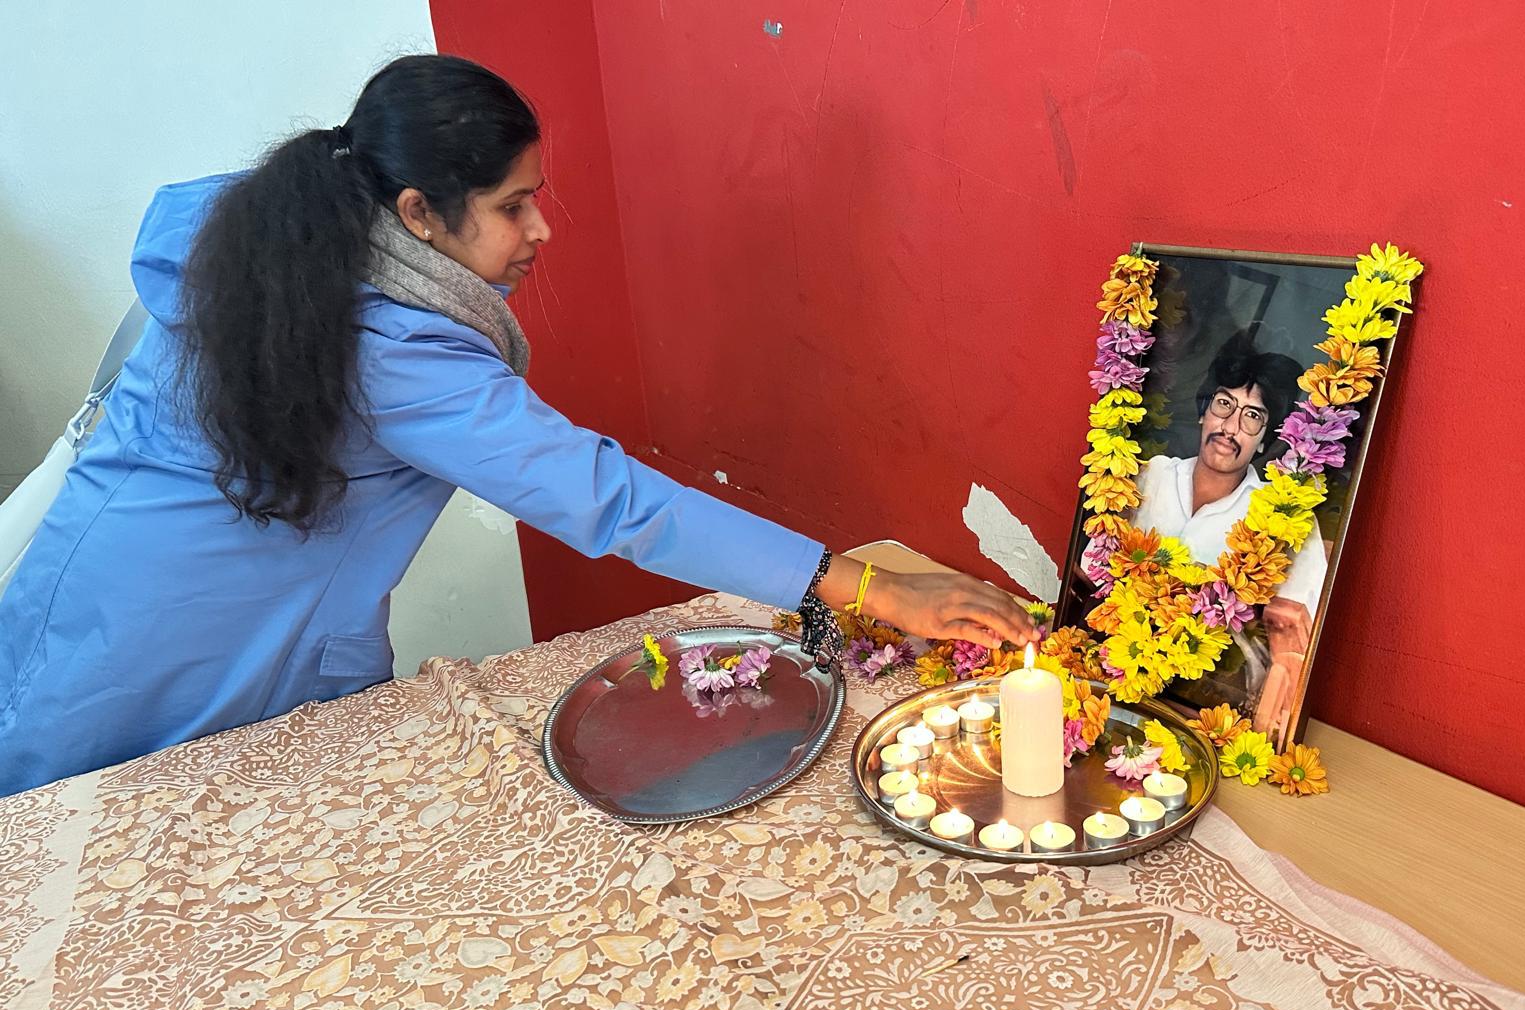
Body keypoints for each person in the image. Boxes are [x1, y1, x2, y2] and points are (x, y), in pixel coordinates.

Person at [0, 55, 1032, 797]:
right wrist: (878, 588)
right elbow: (609, 499)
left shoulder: (267, 244)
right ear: (418, 213)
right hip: (185, 664)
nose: (539, 230)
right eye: (511, 206)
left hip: (79, 602)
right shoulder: (390, 348)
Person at [1100, 334, 1328, 736]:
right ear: (1204, 412)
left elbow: (1298, 638)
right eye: (1224, 404)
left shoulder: (1283, 514)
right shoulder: (1151, 475)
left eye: (1252, 416)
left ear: (1264, 440)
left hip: (1216, 707)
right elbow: (1096, 567)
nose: (1230, 427)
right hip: (1116, 673)